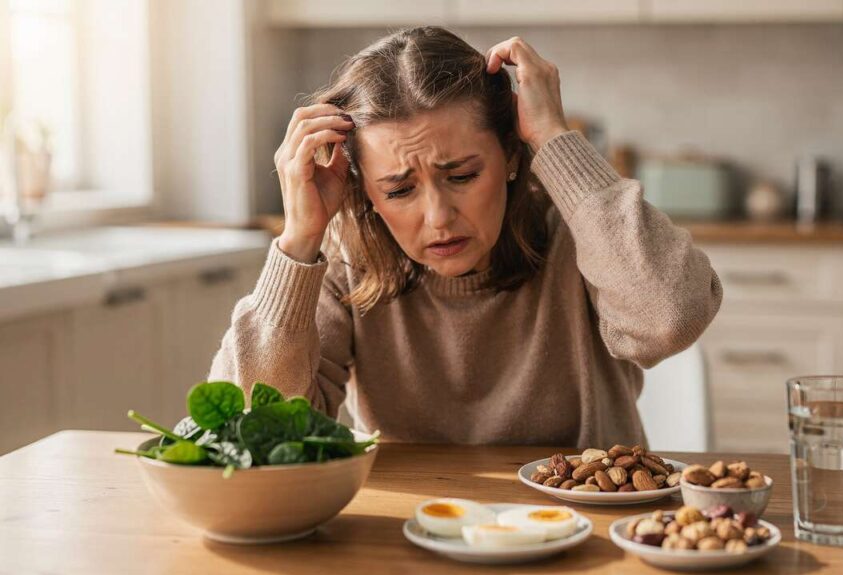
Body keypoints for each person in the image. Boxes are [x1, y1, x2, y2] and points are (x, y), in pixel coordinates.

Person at [209, 27, 722, 449]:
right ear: (366, 190)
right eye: (400, 189)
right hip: (413, 535)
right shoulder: (349, 253)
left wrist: (555, 139)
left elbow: (669, 319)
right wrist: (299, 241)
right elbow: (252, 428)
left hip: (585, 530)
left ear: (512, 156)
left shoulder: (582, 234)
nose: (438, 217)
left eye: (462, 176)